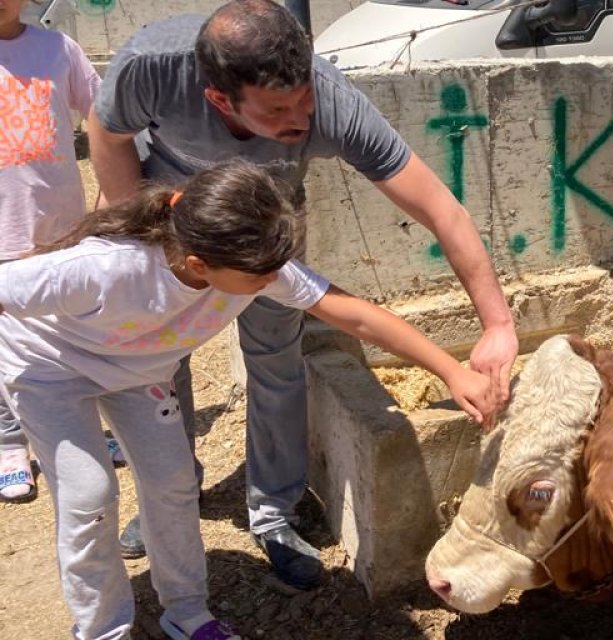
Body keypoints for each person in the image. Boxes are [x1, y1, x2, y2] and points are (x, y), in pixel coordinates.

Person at [87, 0, 518, 588]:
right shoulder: (151, 68)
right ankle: (172, 489)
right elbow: (106, 134)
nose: (300, 119)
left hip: (266, 226)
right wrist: (138, 236)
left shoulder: (330, 104)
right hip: (171, 215)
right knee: (163, 361)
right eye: (278, 110)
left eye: (305, 98)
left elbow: (440, 210)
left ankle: (274, 512)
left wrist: (496, 326)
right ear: (219, 99)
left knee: (277, 359)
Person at [0, 159, 502, 640]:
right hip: (49, 368)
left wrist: (451, 370)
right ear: (199, 264)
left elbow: (356, 315)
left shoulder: (259, 265)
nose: (274, 283)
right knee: (89, 497)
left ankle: (187, 612)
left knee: (173, 485)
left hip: (138, 373)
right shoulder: (106, 268)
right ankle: (101, 630)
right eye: (261, 277)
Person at [0, 0, 102, 502]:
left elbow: (102, 114)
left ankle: (83, 425)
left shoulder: (58, 48)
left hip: (59, 227)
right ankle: (8, 443)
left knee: (69, 329)